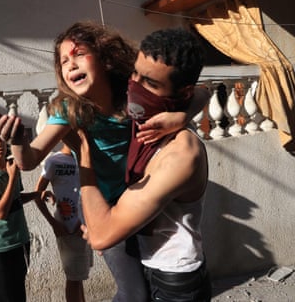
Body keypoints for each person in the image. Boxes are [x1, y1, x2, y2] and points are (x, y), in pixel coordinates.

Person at [0, 21, 211, 301]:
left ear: (105, 59)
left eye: (79, 54)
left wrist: (183, 115)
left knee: (148, 282)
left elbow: (201, 89)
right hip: (103, 207)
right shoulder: (69, 110)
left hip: (136, 202)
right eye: (63, 61)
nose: (70, 64)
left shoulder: (132, 94)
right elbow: (29, 160)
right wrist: (17, 141)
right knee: (133, 293)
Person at [78, 28, 212, 301]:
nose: (135, 85)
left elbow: (102, 236)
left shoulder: (181, 154)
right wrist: (182, 114)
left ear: (180, 91)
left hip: (175, 282)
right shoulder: (148, 116)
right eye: (135, 73)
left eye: (149, 82)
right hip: (146, 260)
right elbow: (203, 91)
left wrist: (83, 154)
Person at [0, 121, 53, 302]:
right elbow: (0, 213)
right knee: (3, 297)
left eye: (0, 140)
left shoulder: (11, 166)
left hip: (20, 241)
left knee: (18, 295)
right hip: (0, 247)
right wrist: (11, 178)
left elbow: (15, 200)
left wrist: (37, 194)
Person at [34, 143, 93, 302]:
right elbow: (37, 194)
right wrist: (54, 223)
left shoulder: (86, 158)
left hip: (86, 227)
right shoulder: (54, 161)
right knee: (73, 278)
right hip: (68, 229)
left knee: (79, 277)